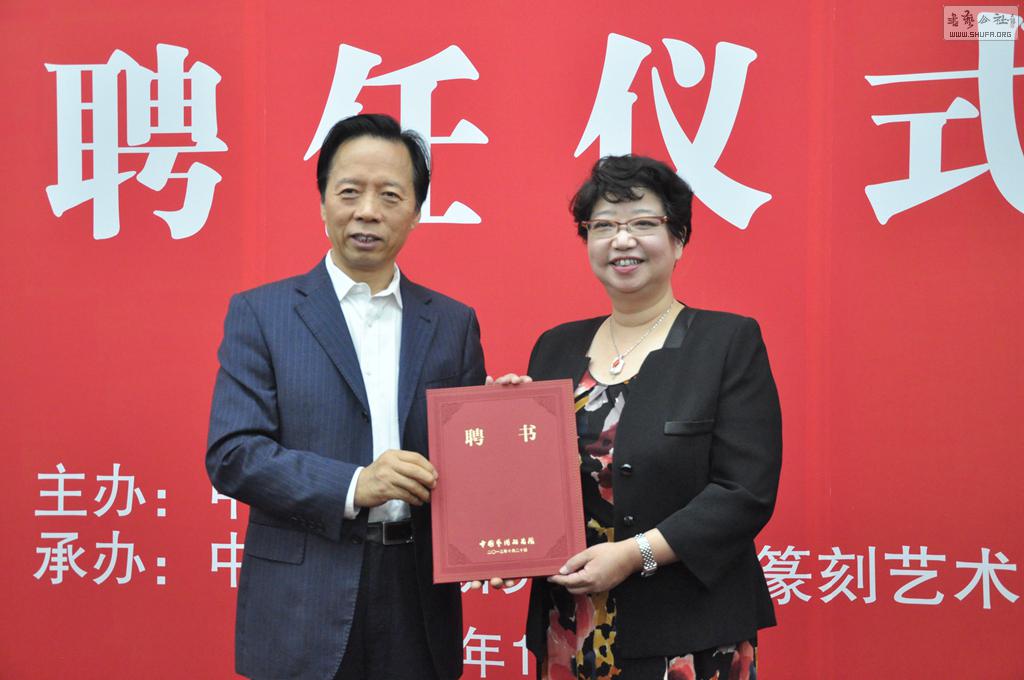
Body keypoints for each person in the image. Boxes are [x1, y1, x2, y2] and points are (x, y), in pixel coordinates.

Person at [206, 113, 485, 680]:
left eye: (390, 195)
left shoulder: (452, 323)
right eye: (350, 191)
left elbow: (469, 457)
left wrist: (504, 418)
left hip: (417, 596)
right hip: (303, 596)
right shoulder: (262, 314)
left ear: (416, 210)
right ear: (323, 202)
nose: (367, 211)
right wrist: (357, 484)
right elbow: (234, 455)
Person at [522, 155, 782, 680]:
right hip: (570, 624)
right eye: (604, 226)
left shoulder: (726, 342)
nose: (622, 240)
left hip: (689, 630)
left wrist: (635, 554)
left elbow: (744, 491)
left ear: (678, 239)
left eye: (643, 223)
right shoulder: (555, 348)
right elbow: (531, 482)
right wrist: (504, 419)